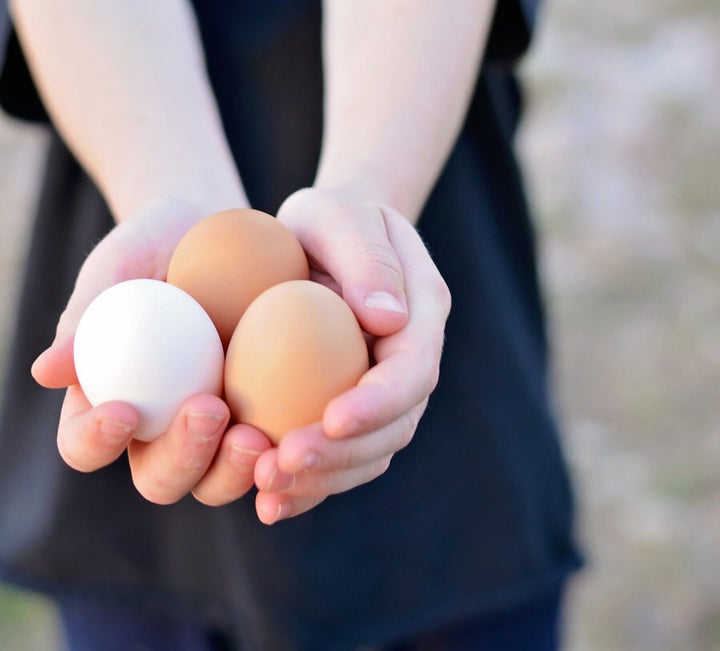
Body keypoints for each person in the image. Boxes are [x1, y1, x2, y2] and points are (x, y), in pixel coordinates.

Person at [0, 1, 582, 649]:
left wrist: (371, 197)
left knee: (455, 557)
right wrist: (172, 187)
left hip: (415, 140)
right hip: (131, 144)